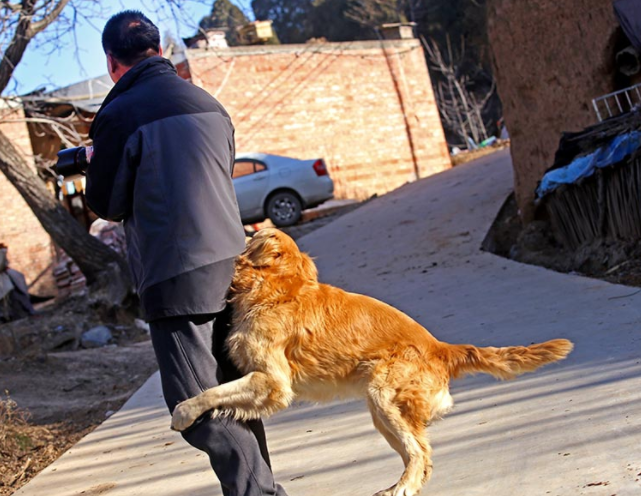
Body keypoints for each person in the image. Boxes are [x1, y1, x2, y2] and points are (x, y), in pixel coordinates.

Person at [84, 10, 288, 496]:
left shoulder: (120, 114)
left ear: (112, 62)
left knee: (196, 404)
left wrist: (96, 161)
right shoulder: (208, 103)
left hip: (175, 273)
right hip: (233, 266)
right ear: (159, 50)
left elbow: (105, 203)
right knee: (234, 397)